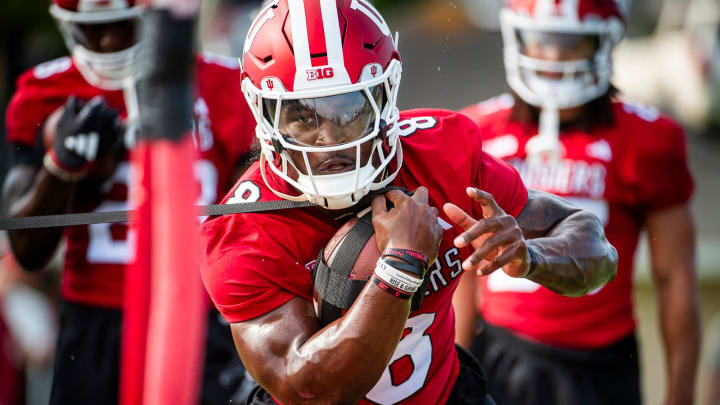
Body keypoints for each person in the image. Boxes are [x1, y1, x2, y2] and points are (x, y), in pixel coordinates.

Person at [198, 1, 618, 404]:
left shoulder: (441, 153)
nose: (328, 139)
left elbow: (598, 251)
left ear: (385, 95)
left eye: (348, 110)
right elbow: (308, 391)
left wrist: (531, 257)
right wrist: (401, 265)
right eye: (303, 117)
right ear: (265, 114)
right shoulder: (242, 232)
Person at [1, 0, 257, 403]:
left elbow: (254, 219)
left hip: (200, 314)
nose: (108, 41)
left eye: (123, 26)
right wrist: (60, 167)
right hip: (93, 321)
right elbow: (26, 246)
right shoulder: (46, 92)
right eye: (93, 29)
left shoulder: (227, 85)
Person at [455, 0, 700, 404]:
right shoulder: (477, 133)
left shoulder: (648, 139)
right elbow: (461, 272)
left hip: (599, 366)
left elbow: (675, 277)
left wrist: (681, 395)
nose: (553, 56)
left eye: (571, 42)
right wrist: (457, 375)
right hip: (498, 352)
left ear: (603, 42)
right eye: (540, 39)